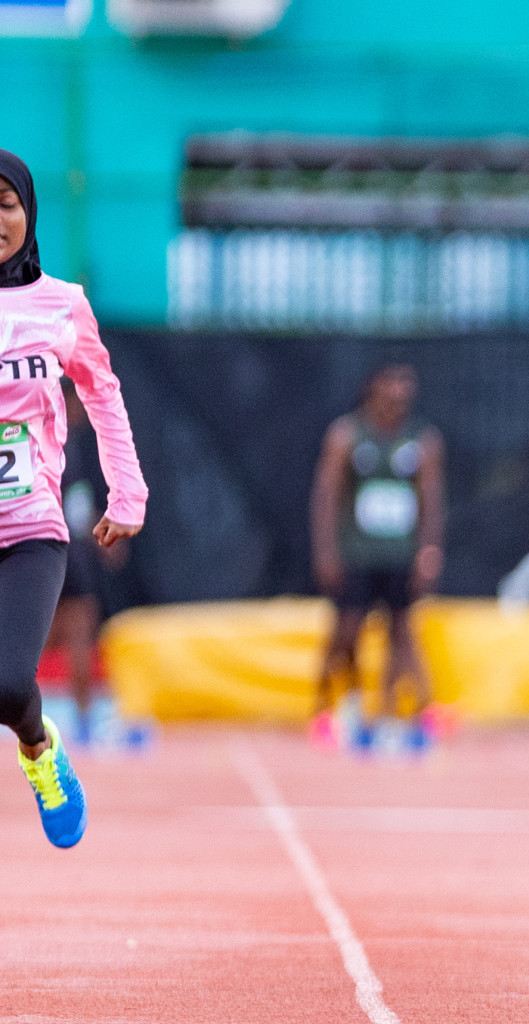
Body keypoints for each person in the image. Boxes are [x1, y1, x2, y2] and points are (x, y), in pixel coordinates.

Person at [0, 150, 147, 847]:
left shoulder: (62, 303)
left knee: (6, 686)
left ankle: (40, 751)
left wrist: (128, 492)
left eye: (5, 203)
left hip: (31, 524)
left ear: (28, 215)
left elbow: (104, 394)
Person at [310, 363, 445, 751]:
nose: (400, 389)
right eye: (392, 380)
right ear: (373, 385)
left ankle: (387, 714)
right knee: (347, 630)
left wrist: (429, 550)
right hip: (356, 552)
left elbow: (431, 499)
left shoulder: (422, 439)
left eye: (407, 381)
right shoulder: (348, 434)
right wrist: (326, 550)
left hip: (400, 552)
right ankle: (337, 703)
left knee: (400, 632)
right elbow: (326, 496)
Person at [48, 379, 129, 742]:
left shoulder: (41, 435)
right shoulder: (63, 442)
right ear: (66, 401)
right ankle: (83, 719)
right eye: (79, 403)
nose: (84, 411)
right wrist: (103, 538)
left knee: (50, 633)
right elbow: (76, 508)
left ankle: (81, 718)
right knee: (78, 631)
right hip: (66, 548)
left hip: (38, 547)